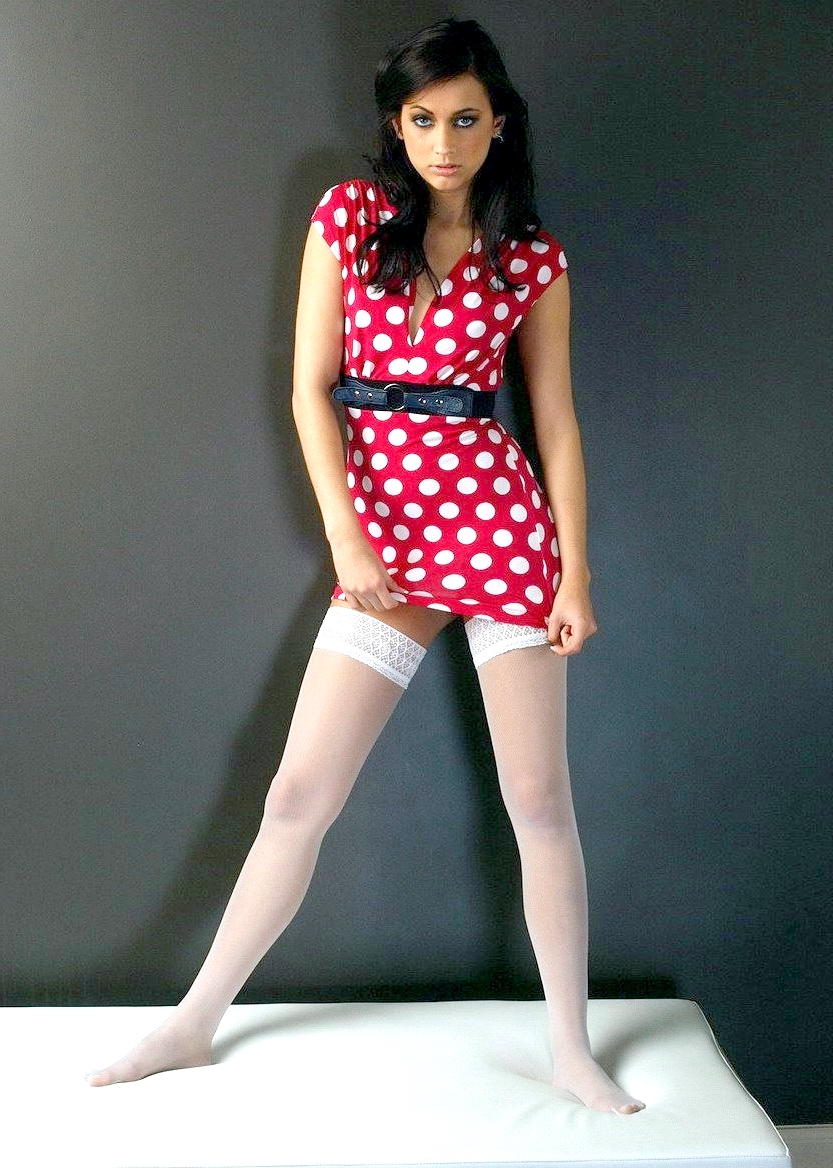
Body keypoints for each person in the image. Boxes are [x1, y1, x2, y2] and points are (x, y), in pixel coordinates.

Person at [88, 18, 645, 1115]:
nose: (443, 142)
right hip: (383, 537)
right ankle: (193, 1021)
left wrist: (574, 574)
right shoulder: (346, 217)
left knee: (539, 798)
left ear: (498, 125)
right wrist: (346, 535)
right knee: (297, 791)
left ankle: (569, 1047)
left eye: (466, 120)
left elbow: (555, 425)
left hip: (498, 530)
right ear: (395, 123)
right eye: (422, 119)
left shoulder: (530, 256)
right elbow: (310, 389)